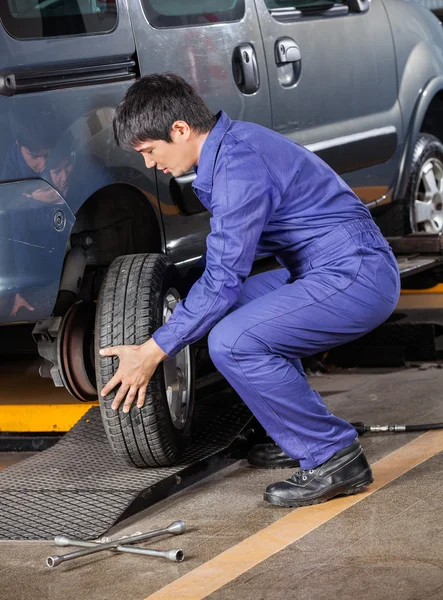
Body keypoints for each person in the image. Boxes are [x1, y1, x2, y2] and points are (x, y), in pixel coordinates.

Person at [100, 72, 400, 508]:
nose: (150, 164)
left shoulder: (238, 165)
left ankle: (334, 456)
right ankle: (297, 432)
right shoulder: (230, 149)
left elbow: (223, 279)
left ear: (180, 130)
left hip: (355, 274)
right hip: (324, 268)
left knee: (232, 341)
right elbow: (224, 276)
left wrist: (152, 351)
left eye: (150, 151)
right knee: (226, 316)